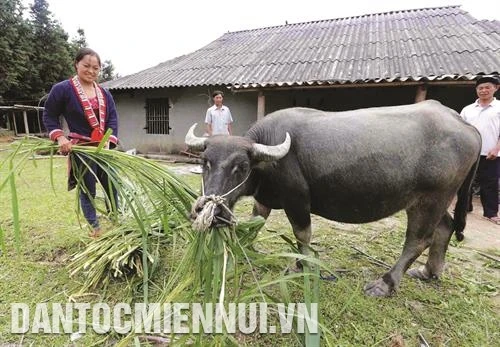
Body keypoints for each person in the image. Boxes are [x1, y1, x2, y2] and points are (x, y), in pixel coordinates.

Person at [42, 47, 119, 237]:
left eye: (96, 68)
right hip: (81, 149)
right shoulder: (62, 89)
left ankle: (116, 221)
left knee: (113, 184)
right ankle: (95, 228)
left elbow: (112, 119)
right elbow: (49, 114)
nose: (91, 71)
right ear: (76, 64)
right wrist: (60, 137)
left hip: (104, 149)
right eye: (86, 66)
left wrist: (109, 141)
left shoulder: (104, 93)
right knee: (87, 188)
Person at [460, 76, 500, 224]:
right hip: (469, 153)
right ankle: (465, 207)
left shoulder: (499, 107)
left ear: (496, 88)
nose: (483, 90)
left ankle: (491, 213)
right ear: (476, 90)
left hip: (491, 153)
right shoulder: (468, 109)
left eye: (487, 87)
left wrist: (497, 148)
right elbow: (460, 129)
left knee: (490, 184)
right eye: (480, 88)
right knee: (465, 182)